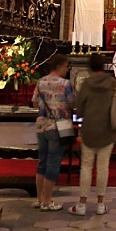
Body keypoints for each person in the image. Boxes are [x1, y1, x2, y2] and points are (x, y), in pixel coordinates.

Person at [68, 52, 116, 216]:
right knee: (103, 166)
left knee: (87, 166)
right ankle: (100, 204)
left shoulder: (86, 84)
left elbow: (79, 109)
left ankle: (82, 204)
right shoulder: (112, 83)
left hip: (89, 129)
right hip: (107, 129)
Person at [31, 53, 74, 211]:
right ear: (59, 66)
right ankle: (48, 201)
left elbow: (35, 101)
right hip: (58, 126)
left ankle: (39, 198)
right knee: (54, 163)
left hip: (41, 125)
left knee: (42, 161)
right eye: (65, 66)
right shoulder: (65, 83)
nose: (67, 69)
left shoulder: (41, 81)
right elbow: (71, 103)